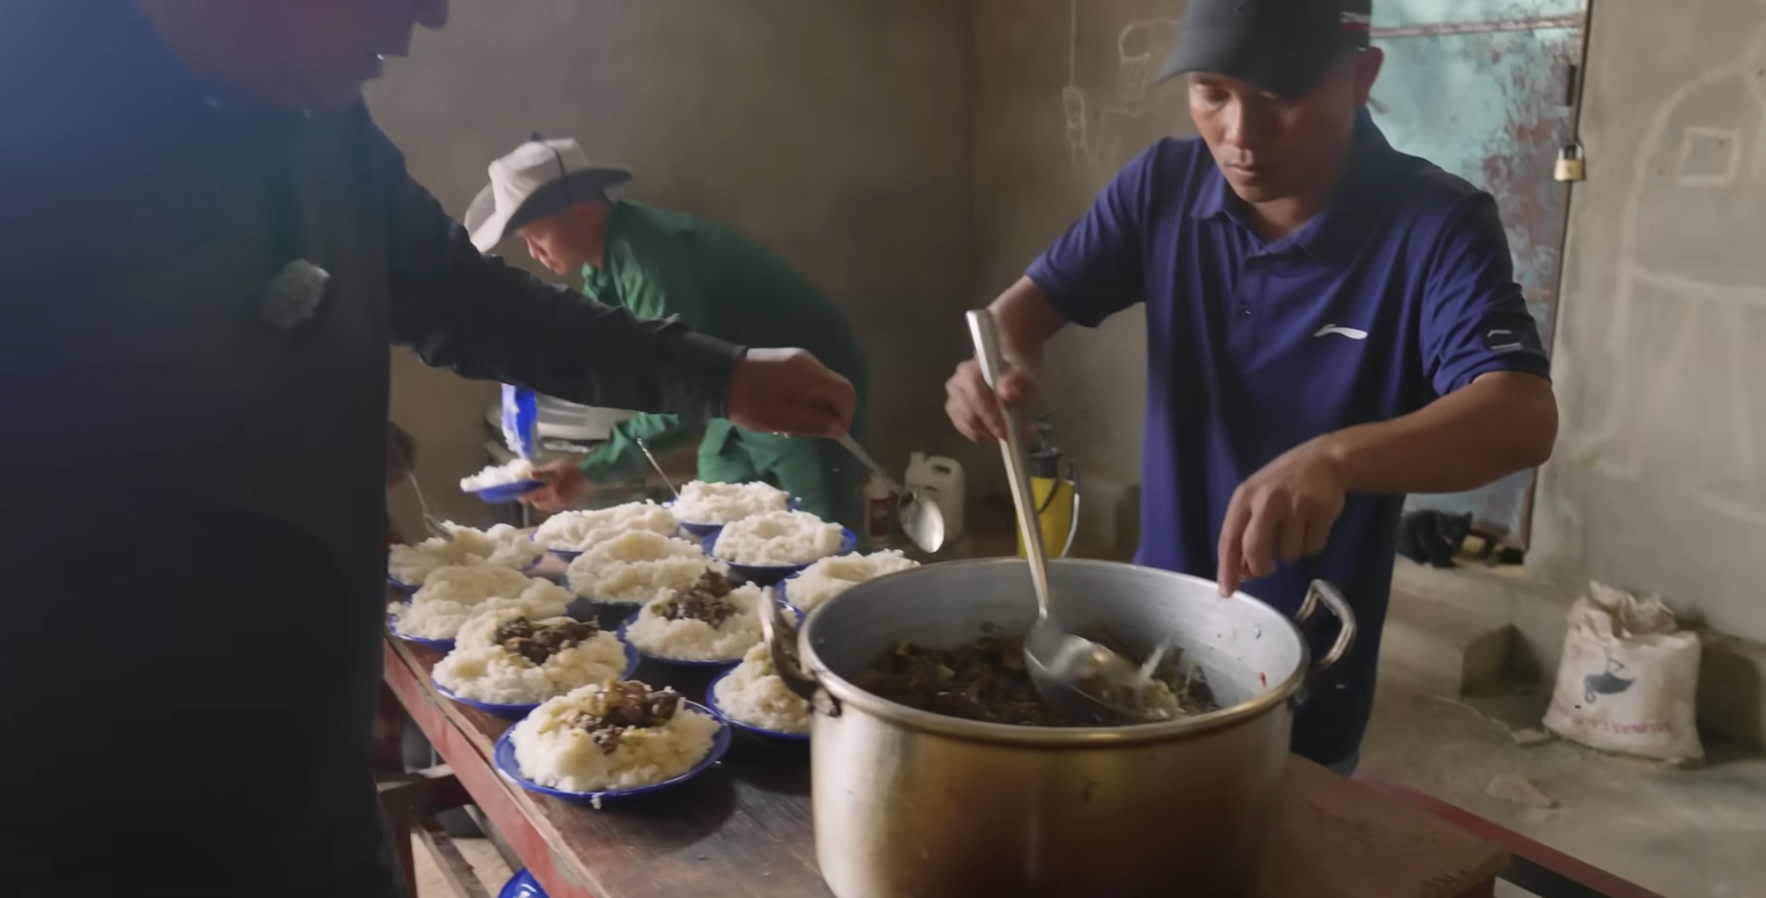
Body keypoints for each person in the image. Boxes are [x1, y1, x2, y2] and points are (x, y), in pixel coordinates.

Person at [0, 2, 855, 896]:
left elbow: (462, 299)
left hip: (306, 756)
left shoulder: (322, 119)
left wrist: (716, 374)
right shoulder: (31, 96)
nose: (431, 16)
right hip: (88, 788)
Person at [943, 0, 1558, 776]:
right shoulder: (1163, 186)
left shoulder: (1434, 225)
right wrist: (996, 363)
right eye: (1212, 91)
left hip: (1306, 658)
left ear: (1362, 77)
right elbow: (1021, 313)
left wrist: (1336, 459)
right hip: (1149, 622)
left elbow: (1521, 415)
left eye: (1279, 98)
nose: (1239, 134)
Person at [468, 137, 871, 528]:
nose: (535, 253)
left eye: (537, 237)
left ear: (580, 213)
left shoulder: (647, 262)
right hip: (733, 398)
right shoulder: (605, 265)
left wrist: (590, 469)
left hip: (801, 389)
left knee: (822, 539)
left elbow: (681, 395)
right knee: (716, 520)